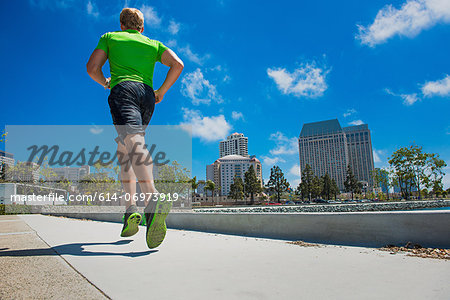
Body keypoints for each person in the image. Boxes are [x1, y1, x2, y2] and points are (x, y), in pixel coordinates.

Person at [86, 7, 183, 249]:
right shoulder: (153, 44)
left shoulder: (110, 37)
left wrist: (106, 82)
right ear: (141, 28)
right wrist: (161, 91)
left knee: (132, 142)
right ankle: (130, 209)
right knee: (126, 148)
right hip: (147, 96)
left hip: (124, 91)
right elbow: (178, 64)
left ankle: (151, 198)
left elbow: (92, 68)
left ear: (122, 25)